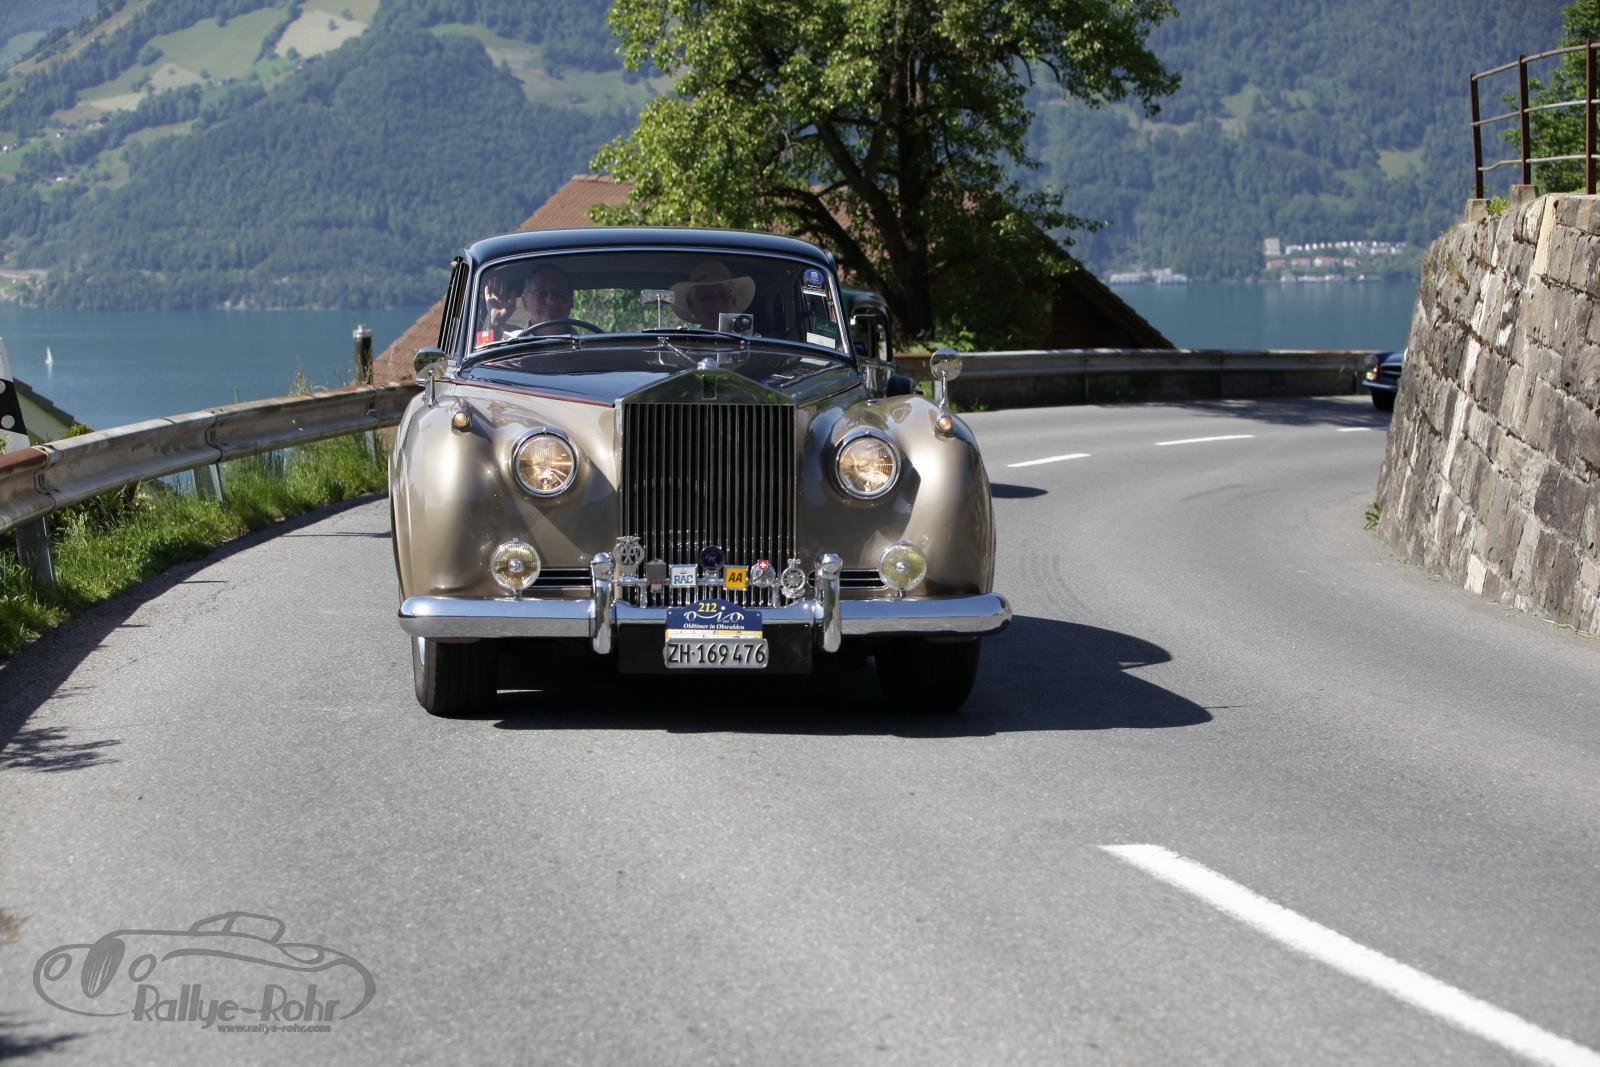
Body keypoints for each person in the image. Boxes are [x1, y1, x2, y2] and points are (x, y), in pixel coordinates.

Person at [671, 260, 755, 330]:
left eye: (723, 295)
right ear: (691, 306)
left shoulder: (752, 342)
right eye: (707, 297)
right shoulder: (685, 343)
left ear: (733, 301)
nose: (717, 303)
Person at [474, 265, 527, 347]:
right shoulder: (512, 337)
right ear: (525, 301)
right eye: (541, 293)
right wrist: (495, 323)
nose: (548, 300)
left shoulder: (519, 336)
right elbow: (478, 349)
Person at [518, 264, 575, 335]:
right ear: (525, 302)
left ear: (571, 300)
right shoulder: (509, 341)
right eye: (541, 293)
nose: (550, 301)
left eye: (558, 292)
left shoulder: (587, 339)